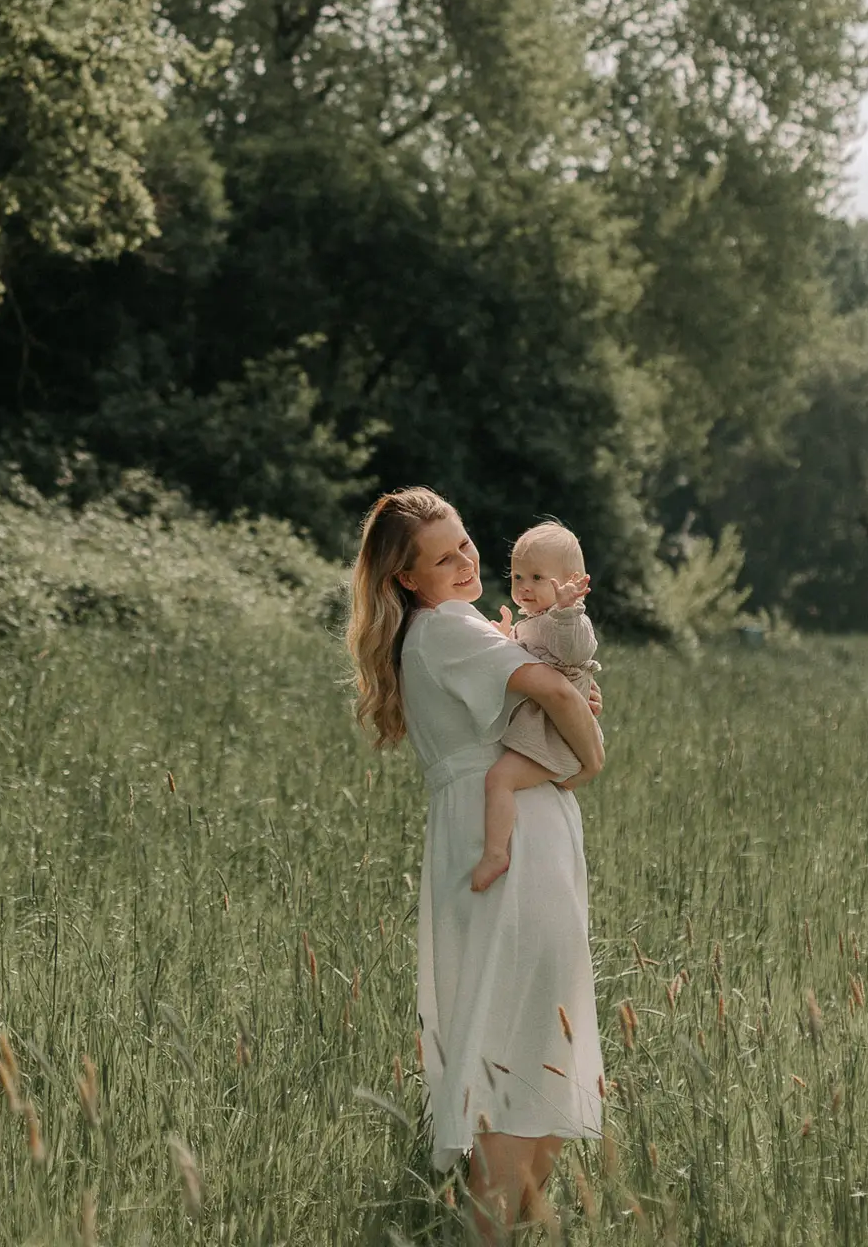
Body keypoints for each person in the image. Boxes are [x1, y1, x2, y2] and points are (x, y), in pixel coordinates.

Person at [346, 487, 606, 1243]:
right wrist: (591, 756)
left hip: (488, 828)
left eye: (465, 543)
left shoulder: (429, 635)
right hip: (514, 839)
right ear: (407, 578)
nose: (465, 562)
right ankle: (488, 1231)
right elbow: (554, 684)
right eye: (442, 556)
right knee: (520, 1048)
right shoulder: (449, 626)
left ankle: (514, 1228)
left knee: (523, 1037)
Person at [471, 521, 600, 894]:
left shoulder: (569, 622)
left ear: (571, 581)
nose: (524, 586)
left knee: (500, 779)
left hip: (553, 735)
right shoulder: (536, 621)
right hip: (545, 727)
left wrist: (567, 609)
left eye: (537, 577)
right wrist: (505, 636)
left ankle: (496, 853)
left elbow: (575, 649)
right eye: (517, 576)